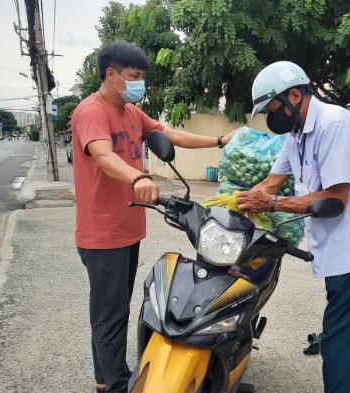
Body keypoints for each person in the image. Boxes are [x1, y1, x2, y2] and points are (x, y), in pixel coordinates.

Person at [71, 41, 235, 393]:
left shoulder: (131, 113)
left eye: (143, 77)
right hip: (102, 233)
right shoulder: (91, 111)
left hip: (128, 229)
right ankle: (115, 385)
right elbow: (101, 155)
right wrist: (138, 176)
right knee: (110, 314)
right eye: (134, 76)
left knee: (113, 310)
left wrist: (219, 140)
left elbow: (168, 134)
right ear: (111, 74)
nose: (139, 84)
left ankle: (105, 379)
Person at [237, 61, 350, 393]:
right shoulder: (297, 134)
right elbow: (271, 182)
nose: (270, 117)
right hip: (343, 252)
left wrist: (273, 204)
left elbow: (336, 199)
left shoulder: (333, 125)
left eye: (271, 108)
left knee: (340, 346)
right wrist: (239, 202)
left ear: (295, 95)